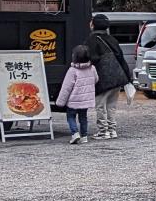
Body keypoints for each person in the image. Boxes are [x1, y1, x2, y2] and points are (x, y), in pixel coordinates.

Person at [87, 12, 133, 140]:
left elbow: (92, 59)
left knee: (100, 105)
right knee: (111, 105)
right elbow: (121, 58)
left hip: (103, 79)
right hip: (117, 78)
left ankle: (103, 131)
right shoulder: (112, 39)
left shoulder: (92, 40)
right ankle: (112, 130)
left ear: (94, 25)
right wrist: (127, 78)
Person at [56, 45, 100, 145]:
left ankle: (75, 133)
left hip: (73, 100)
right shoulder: (92, 68)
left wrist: (60, 102)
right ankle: (84, 136)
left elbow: (66, 88)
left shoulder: (72, 70)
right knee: (83, 118)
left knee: (70, 117)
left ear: (74, 57)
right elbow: (96, 79)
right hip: (85, 100)